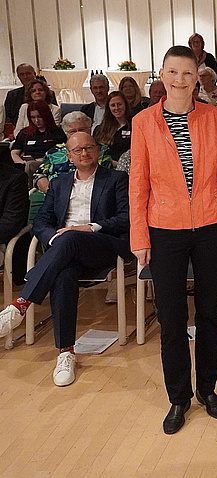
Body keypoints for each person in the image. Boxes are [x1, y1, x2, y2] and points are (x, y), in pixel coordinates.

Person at [129, 45, 217, 435]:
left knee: (211, 313)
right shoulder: (144, 121)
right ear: (161, 75)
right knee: (172, 317)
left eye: (188, 74)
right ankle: (178, 397)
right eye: (173, 72)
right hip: (164, 229)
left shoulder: (213, 117)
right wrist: (138, 235)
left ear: (198, 77)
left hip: (213, 224)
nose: (180, 80)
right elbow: (137, 184)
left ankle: (207, 389)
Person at [0, 132, 131, 387]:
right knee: (63, 273)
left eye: (89, 148)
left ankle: (21, 304)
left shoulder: (116, 179)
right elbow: (41, 222)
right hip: (65, 250)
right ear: (68, 156)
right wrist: (53, 238)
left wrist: (90, 227)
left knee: (70, 237)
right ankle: (66, 353)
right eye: (78, 150)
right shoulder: (59, 184)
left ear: (97, 150)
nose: (84, 153)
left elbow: (126, 218)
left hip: (102, 245)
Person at [32, 112, 113, 218]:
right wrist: (51, 190)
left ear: (90, 129)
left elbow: (105, 178)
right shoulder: (54, 151)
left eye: (82, 129)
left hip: (88, 196)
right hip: (53, 196)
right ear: (66, 133)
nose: (77, 133)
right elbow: (39, 175)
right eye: (73, 131)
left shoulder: (100, 151)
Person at [11, 101, 67, 187]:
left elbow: (63, 152)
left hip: (49, 163)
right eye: (33, 117)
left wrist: (43, 160)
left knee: (31, 165)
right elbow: (14, 152)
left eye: (39, 117)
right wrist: (21, 162)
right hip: (27, 164)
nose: (36, 121)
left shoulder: (57, 132)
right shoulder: (25, 133)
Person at [94, 92, 133, 160]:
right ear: (108, 108)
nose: (117, 108)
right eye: (113, 105)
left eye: (119, 104)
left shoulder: (134, 127)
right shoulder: (100, 130)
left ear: (125, 105)